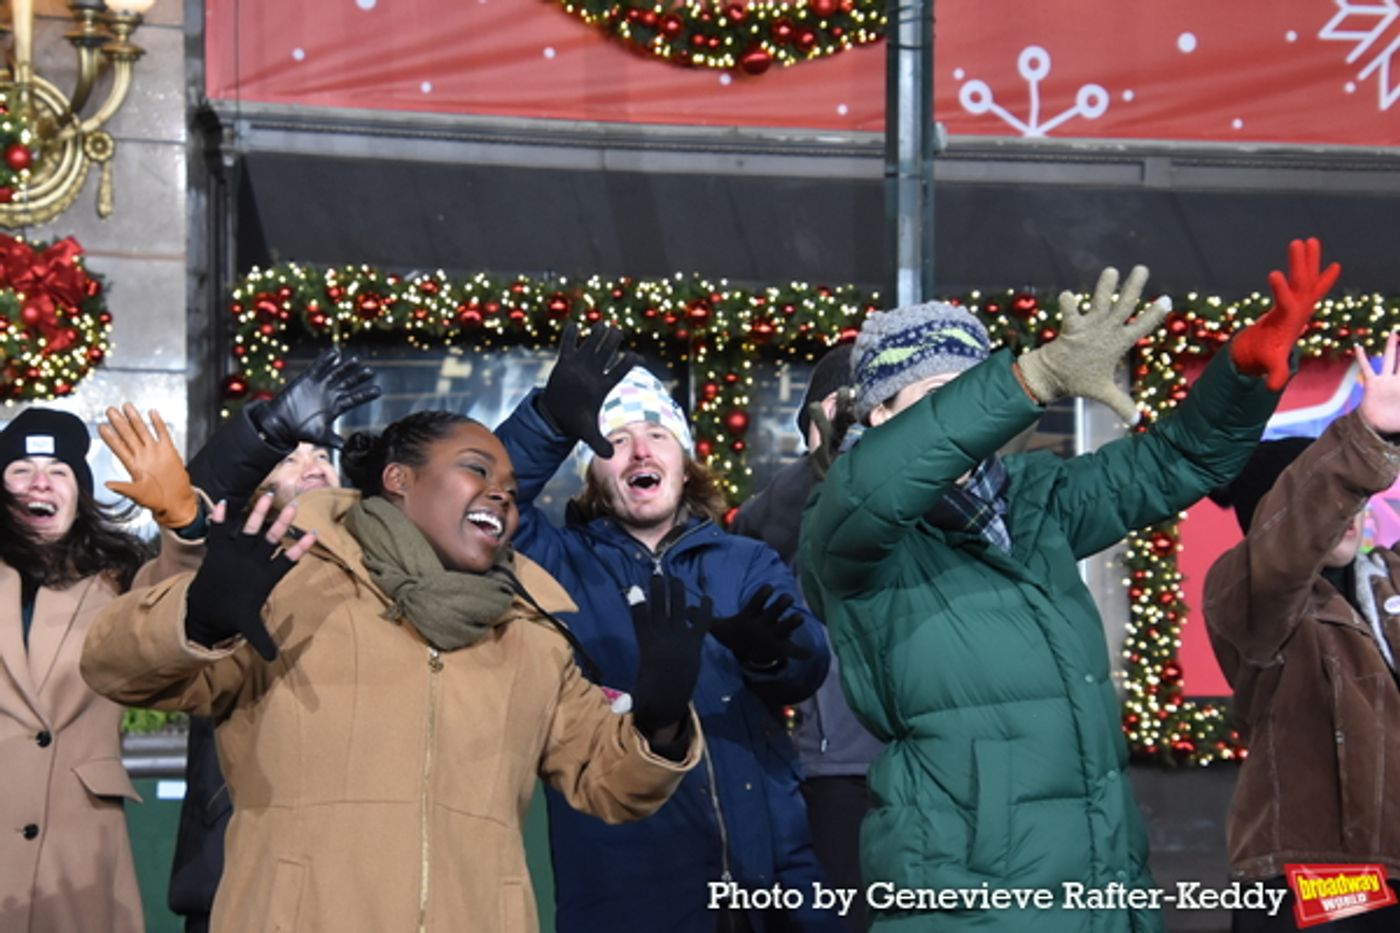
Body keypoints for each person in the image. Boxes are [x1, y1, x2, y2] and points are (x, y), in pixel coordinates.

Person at [798, 240, 1339, 932]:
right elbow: (881, 482)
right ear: (877, 413)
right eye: (943, 396)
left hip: (1101, 891)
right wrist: (1034, 375)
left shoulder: (1034, 499)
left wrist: (1243, 375)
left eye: (975, 388)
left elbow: (1173, 460)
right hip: (968, 902)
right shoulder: (848, 523)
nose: (971, 424)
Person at [84, 406, 710, 932]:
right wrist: (201, 619)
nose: (501, 494)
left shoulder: (532, 632)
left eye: (513, 492)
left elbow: (609, 784)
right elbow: (119, 669)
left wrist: (659, 727)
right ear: (399, 480)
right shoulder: (295, 583)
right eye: (476, 470)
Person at [496, 325, 842, 933]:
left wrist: (771, 657)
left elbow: (806, 666)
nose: (640, 451)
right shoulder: (557, 564)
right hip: (624, 891)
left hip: (769, 880)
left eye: (657, 435)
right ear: (593, 475)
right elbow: (490, 502)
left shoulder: (743, 560)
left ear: (684, 461)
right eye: (617, 440)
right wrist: (550, 421)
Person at [97, 348, 379, 933]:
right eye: (293, 456)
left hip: (359, 876)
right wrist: (264, 433)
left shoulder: (377, 564)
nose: (314, 466)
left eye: (322, 455)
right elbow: (193, 518)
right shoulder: (217, 555)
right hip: (235, 871)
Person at [1203, 332, 1400, 932]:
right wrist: (1369, 437)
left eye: (1358, 497)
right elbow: (1286, 551)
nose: (1352, 509)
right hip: (1325, 872)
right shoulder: (1250, 592)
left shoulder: (1386, 583)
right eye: (1335, 498)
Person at [732, 342, 880, 932]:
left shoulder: (928, 497)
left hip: (933, 765)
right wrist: (823, 466)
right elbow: (757, 535)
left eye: (866, 411)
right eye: (834, 415)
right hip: (836, 772)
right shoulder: (789, 512)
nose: (851, 427)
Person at [0, 407, 149, 933]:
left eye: (58, 471)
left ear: (80, 495)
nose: (39, 481)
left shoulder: (120, 582)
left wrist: (185, 523)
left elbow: (180, 606)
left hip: (78, 843)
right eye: (20, 469)